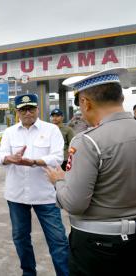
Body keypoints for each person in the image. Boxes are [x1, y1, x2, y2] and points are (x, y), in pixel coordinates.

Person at [45, 67, 136, 276]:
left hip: (98, 244)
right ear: (120, 97)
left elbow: (75, 204)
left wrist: (59, 181)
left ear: (85, 102)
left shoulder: (88, 141)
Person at [0, 94, 69, 276]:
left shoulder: (51, 129)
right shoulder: (10, 132)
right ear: (17, 112)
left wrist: (35, 161)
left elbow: (58, 157)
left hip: (45, 195)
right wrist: (8, 158)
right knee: (21, 238)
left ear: (37, 109)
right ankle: (28, 273)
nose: (27, 112)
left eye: (31, 109)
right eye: (23, 109)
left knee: (58, 240)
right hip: (16, 195)